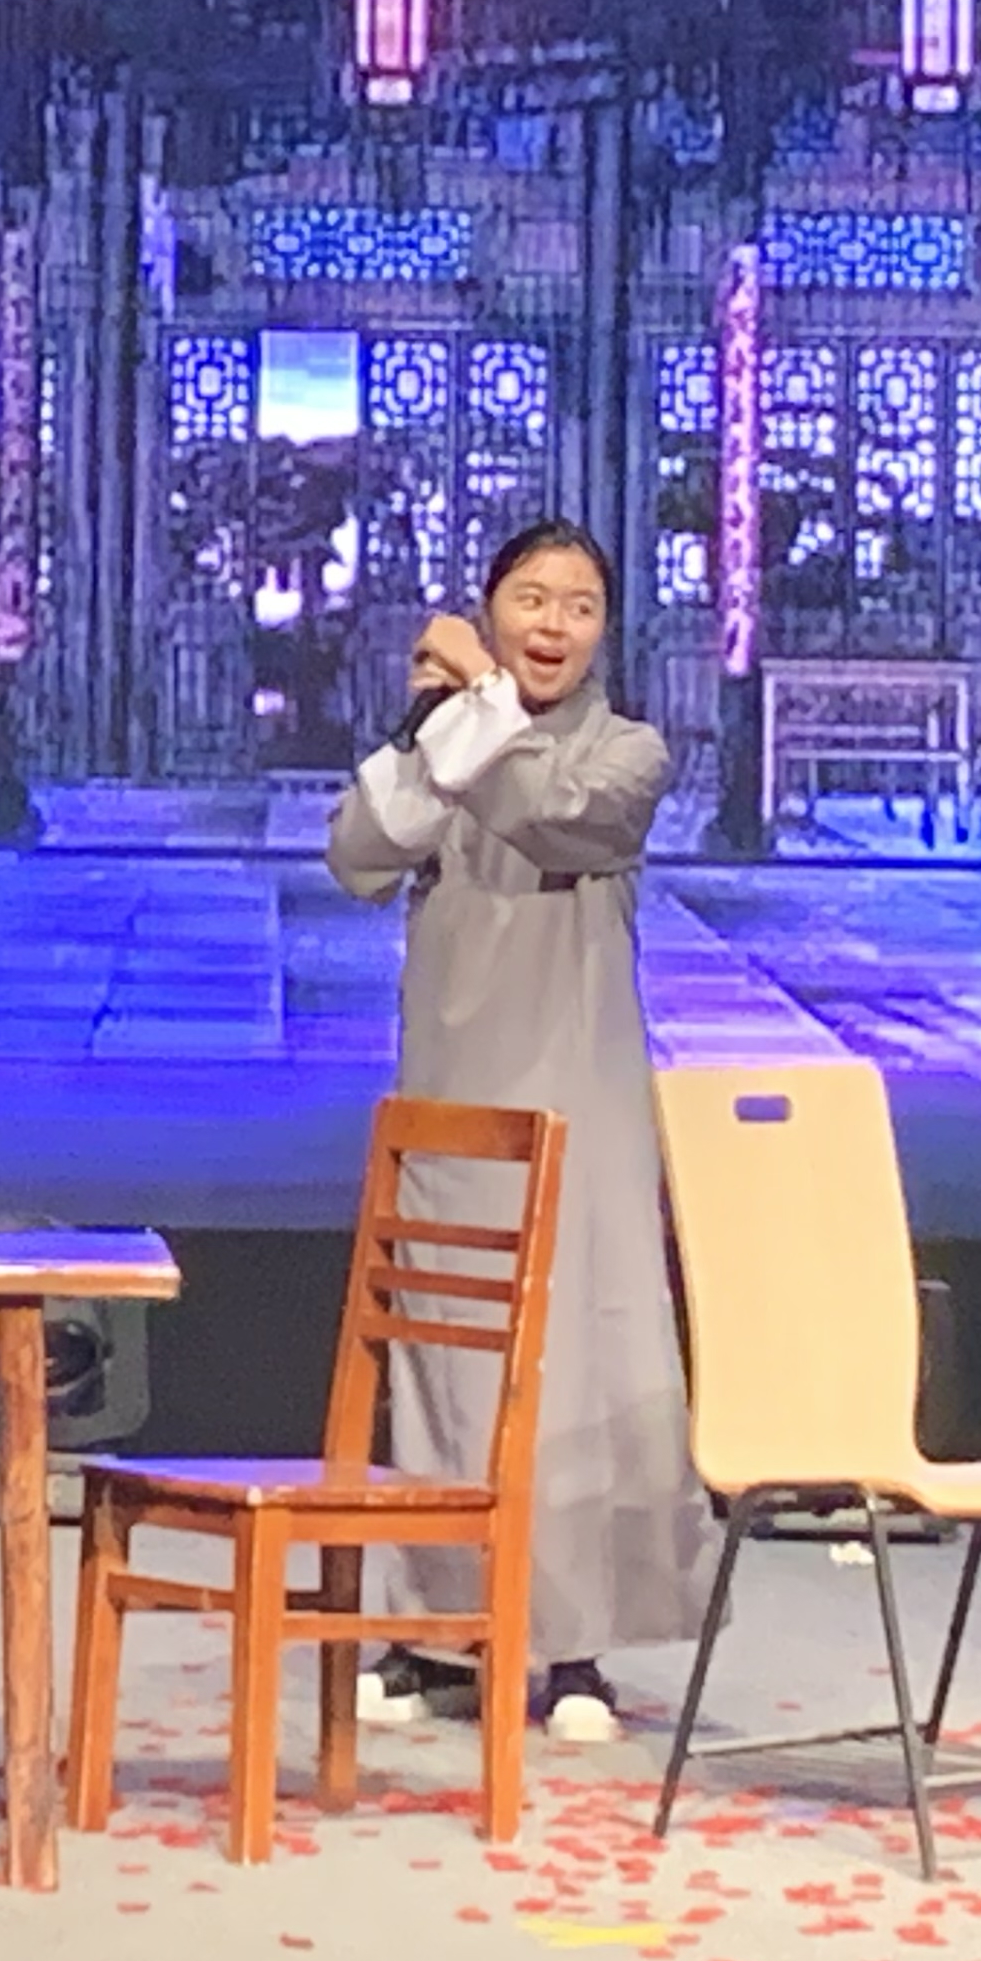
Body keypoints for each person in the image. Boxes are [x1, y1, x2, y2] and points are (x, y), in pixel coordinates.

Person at [326, 519, 711, 1745]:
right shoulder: (456, 735)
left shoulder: (629, 754)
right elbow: (356, 859)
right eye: (530, 599)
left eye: (580, 605)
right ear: (491, 608)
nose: (553, 624)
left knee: (578, 1364)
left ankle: (574, 1648)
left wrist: (480, 706)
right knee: (450, 1360)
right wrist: (435, 729)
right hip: (456, 1091)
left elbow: (553, 817)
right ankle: (436, 1633)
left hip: (578, 1095)